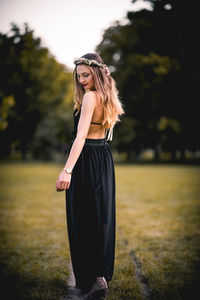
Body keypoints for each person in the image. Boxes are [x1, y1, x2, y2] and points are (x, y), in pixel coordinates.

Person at [56, 53, 124, 299]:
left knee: (83, 218)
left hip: (86, 160)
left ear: (96, 72)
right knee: (100, 218)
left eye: (86, 74)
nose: (82, 80)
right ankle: (99, 277)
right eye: (79, 76)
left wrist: (67, 170)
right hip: (104, 159)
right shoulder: (108, 96)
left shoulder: (90, 97)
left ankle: (93, 279)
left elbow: (80, 137)